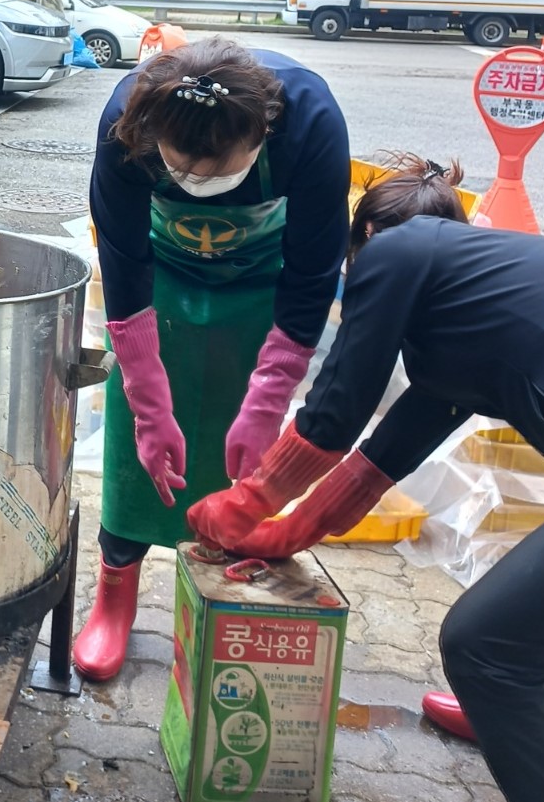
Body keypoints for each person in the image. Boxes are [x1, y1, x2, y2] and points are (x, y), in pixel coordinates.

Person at [188, 159, 544, 802]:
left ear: (361, 247)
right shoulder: (475, 313)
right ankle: (528, 708)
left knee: (482, 645)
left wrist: (244, 502)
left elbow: (338, 408)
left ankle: (510, 696)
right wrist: (288, 533)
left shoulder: (397, 251)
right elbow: (386, 454)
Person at [74, 35, 350, 681]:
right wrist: (147, 403)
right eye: (183, 168)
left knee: (240, 454)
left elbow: (313, 276)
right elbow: (121, 262)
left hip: (261, 283)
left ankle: (217, 598)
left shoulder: (310, 121)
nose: (200, 182)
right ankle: (114, 590)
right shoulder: (125, 120)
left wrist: (267, 403)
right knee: (134, 447)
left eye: (218, 168)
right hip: (158, 277)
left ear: (262, 135)